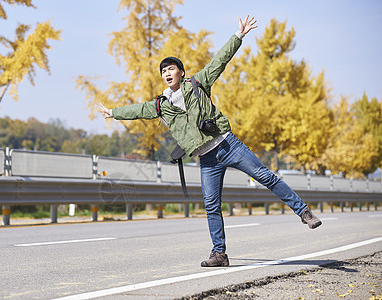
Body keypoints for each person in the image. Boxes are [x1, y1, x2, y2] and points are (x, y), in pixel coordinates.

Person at [99, 15, 322, 267]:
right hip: (206, 158)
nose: (166, 73)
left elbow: (220, 61)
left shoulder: (197, 83)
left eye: (170, 68)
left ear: (181, 72)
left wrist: (238, 36)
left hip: (228, 145)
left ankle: (303, 211)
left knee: (265, 176)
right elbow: (138, 109)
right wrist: (113, 113)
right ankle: (219, 254)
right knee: (211, 204)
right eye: (163, 71)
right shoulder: (161, 105)